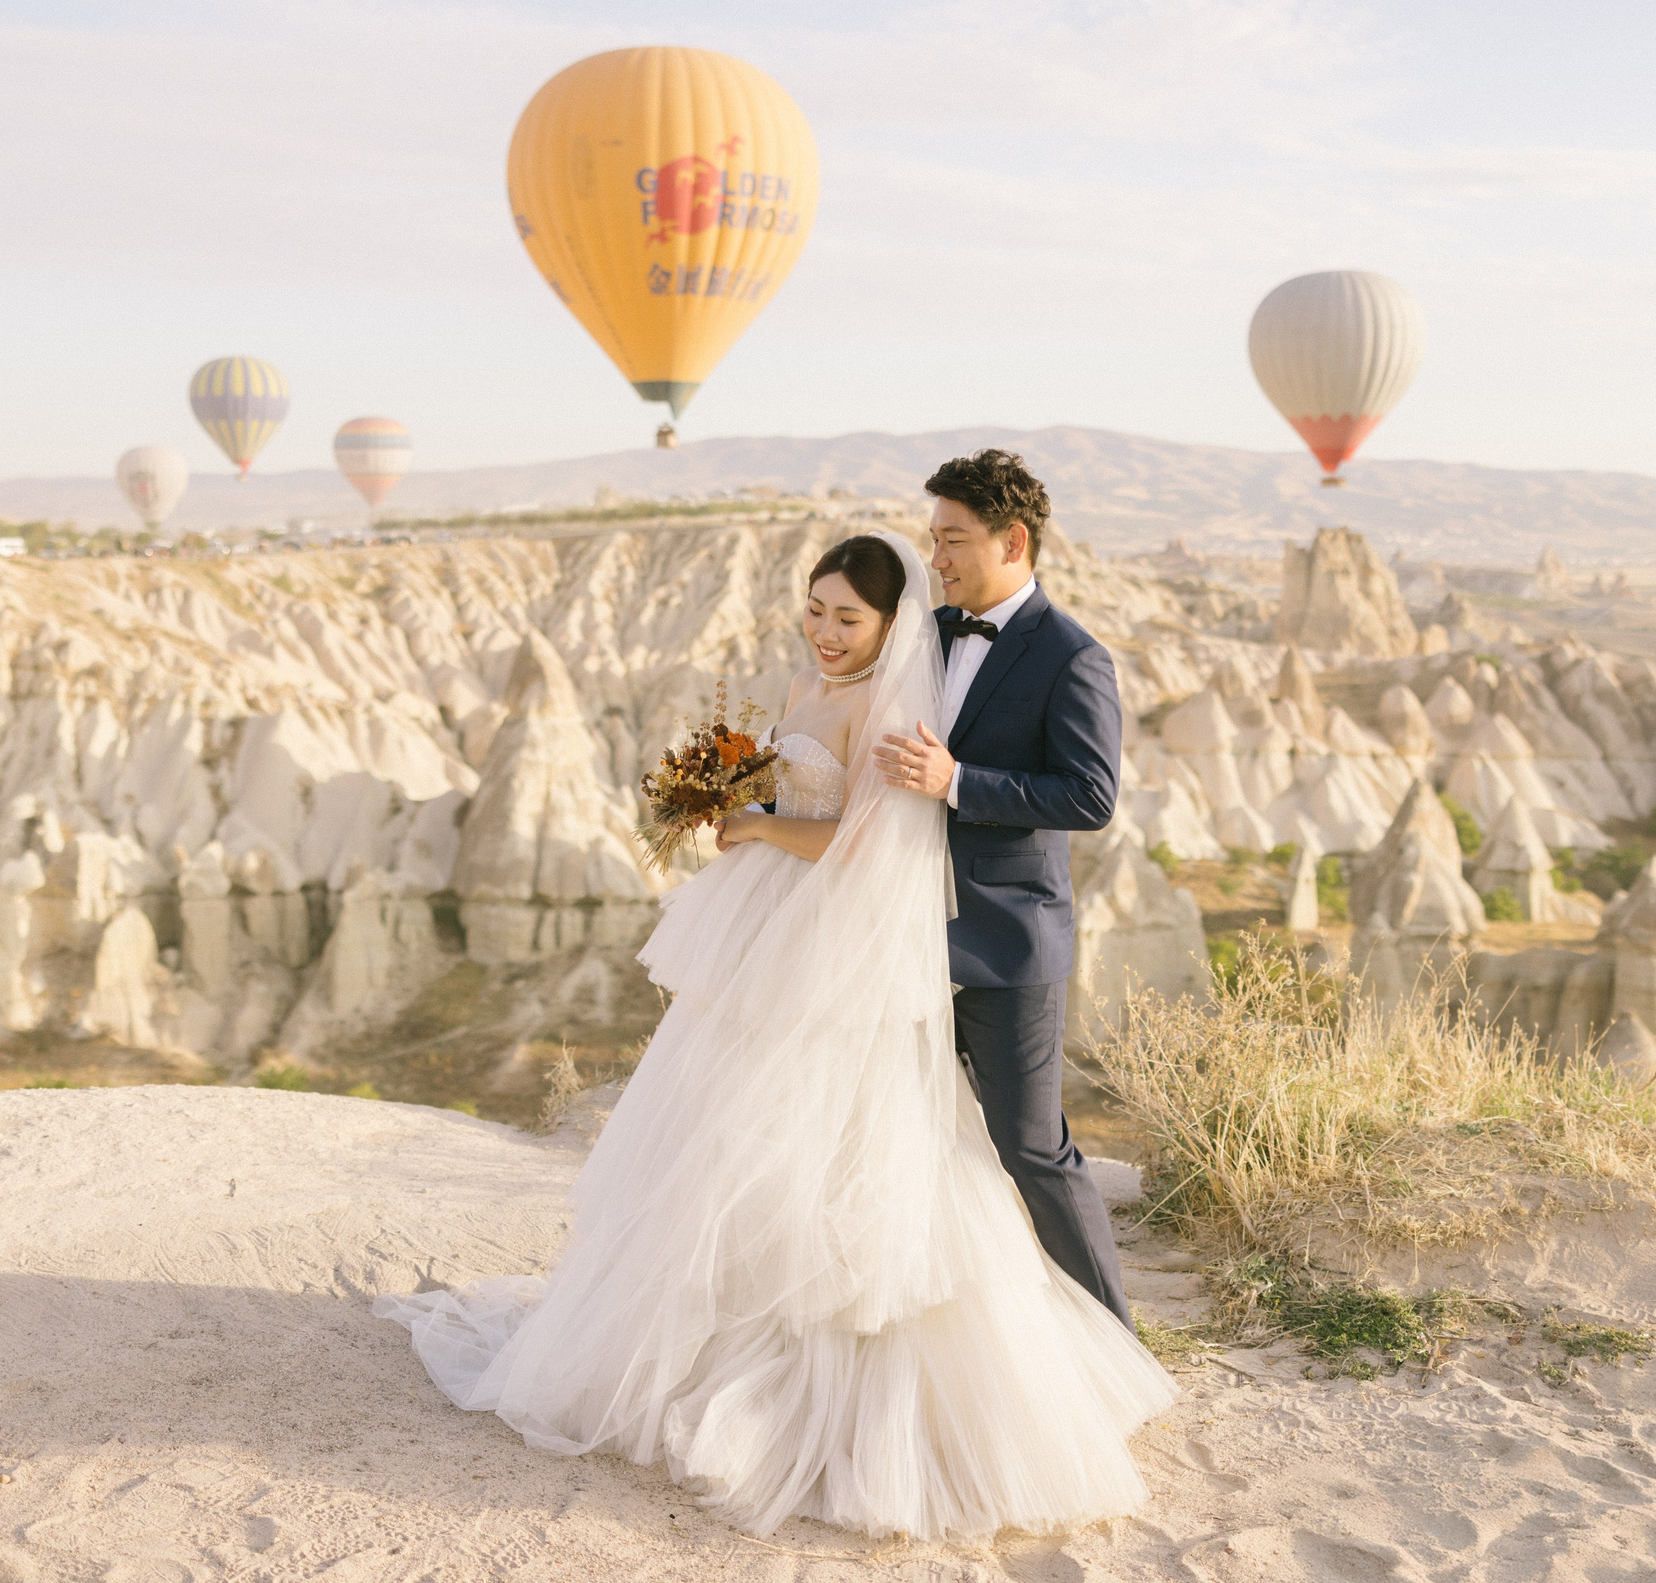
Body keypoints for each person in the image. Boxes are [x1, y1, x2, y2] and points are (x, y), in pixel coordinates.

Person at [377, 527, 1175, 1542]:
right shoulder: (804, 687)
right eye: (815, 610)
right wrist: (732, 796)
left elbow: (863, 843)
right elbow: (794, 784)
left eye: (849, 618)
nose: (826, 632)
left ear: (890, 626)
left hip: (827, 950)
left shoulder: (888, 708)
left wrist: (755, 824)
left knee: (837, 1152)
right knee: (725, 1140)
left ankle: (858, 1383)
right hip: (772, 935)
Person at [875, 449, 1134, 1328]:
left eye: (952, 539)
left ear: (1012, 541)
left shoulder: (1072, 657)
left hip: (1008, 940)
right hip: (901, 932)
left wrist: (956, 781)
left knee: (1031, 1149)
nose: (935, 558)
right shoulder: (930, 634)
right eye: (934, 537)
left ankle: (1115, 1341)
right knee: (891, 1131)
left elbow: (1089, 797)